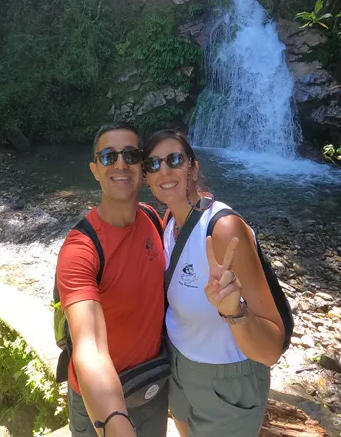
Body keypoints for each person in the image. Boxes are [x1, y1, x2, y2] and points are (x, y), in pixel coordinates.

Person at [142, 129, 289, 437]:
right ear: (146, 178)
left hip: (226, 382)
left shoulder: (223, 229)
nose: (164, 170)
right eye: (153, 164)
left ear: (193, 168)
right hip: (179, 369)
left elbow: (272, 350)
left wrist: (234, 312)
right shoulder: (169, 221)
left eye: (174, 160)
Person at [56, 123, 168, 437]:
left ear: (143, 168)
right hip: (100, 404)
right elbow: (88, 345)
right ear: (94, 169)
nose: (120, 164)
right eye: (109, 156)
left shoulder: (151, 219)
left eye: (131, 155)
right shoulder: (80, 249)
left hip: (152, 385)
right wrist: (114, 421)